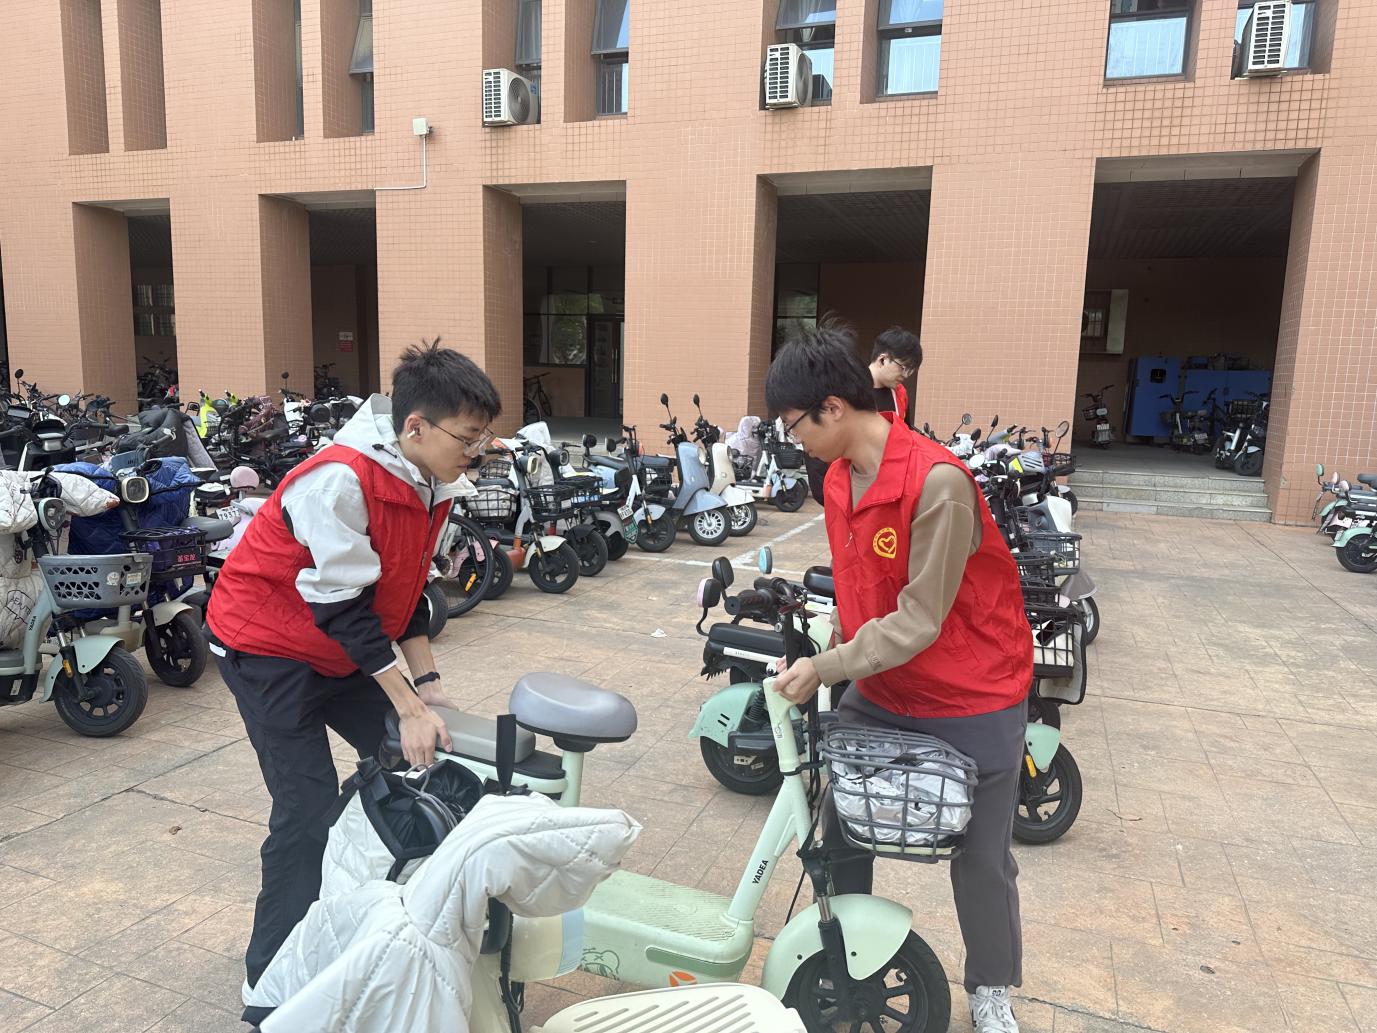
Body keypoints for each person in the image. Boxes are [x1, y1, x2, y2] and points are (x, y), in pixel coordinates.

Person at [206, 339, 501, 991]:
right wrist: (407, 704)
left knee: (411, 759)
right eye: (468, 436)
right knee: (305, 807)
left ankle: (358, 906)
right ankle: (270, 982)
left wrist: (427, 688)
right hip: (266, 649)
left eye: (482, 437)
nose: (476, 450)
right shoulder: (340, 479)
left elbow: (404, 590)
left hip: (336, 647)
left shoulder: (434, 481)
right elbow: (342, 608)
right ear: (415, 426)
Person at [767, 319, 1033, 1033]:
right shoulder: (836, 481)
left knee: (981, 857)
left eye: (793, 425)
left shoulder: (937, 483)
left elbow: (918, 619)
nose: (792, 439)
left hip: (972, 690)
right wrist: (820, 642)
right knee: (839, 827)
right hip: (885, 688)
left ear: (831, 408)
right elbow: (860, 590)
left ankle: (992, 988)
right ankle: (844, 961)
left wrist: (827, 667)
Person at [804, 325, 921, 504]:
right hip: (848, 488)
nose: (906, 375)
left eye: (910, 371)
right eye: (903, 368)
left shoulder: (900, 394)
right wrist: (827, 495)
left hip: (889, 491)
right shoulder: (844, 392)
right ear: (883, 359)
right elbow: (818, 441)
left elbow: (905, 435)